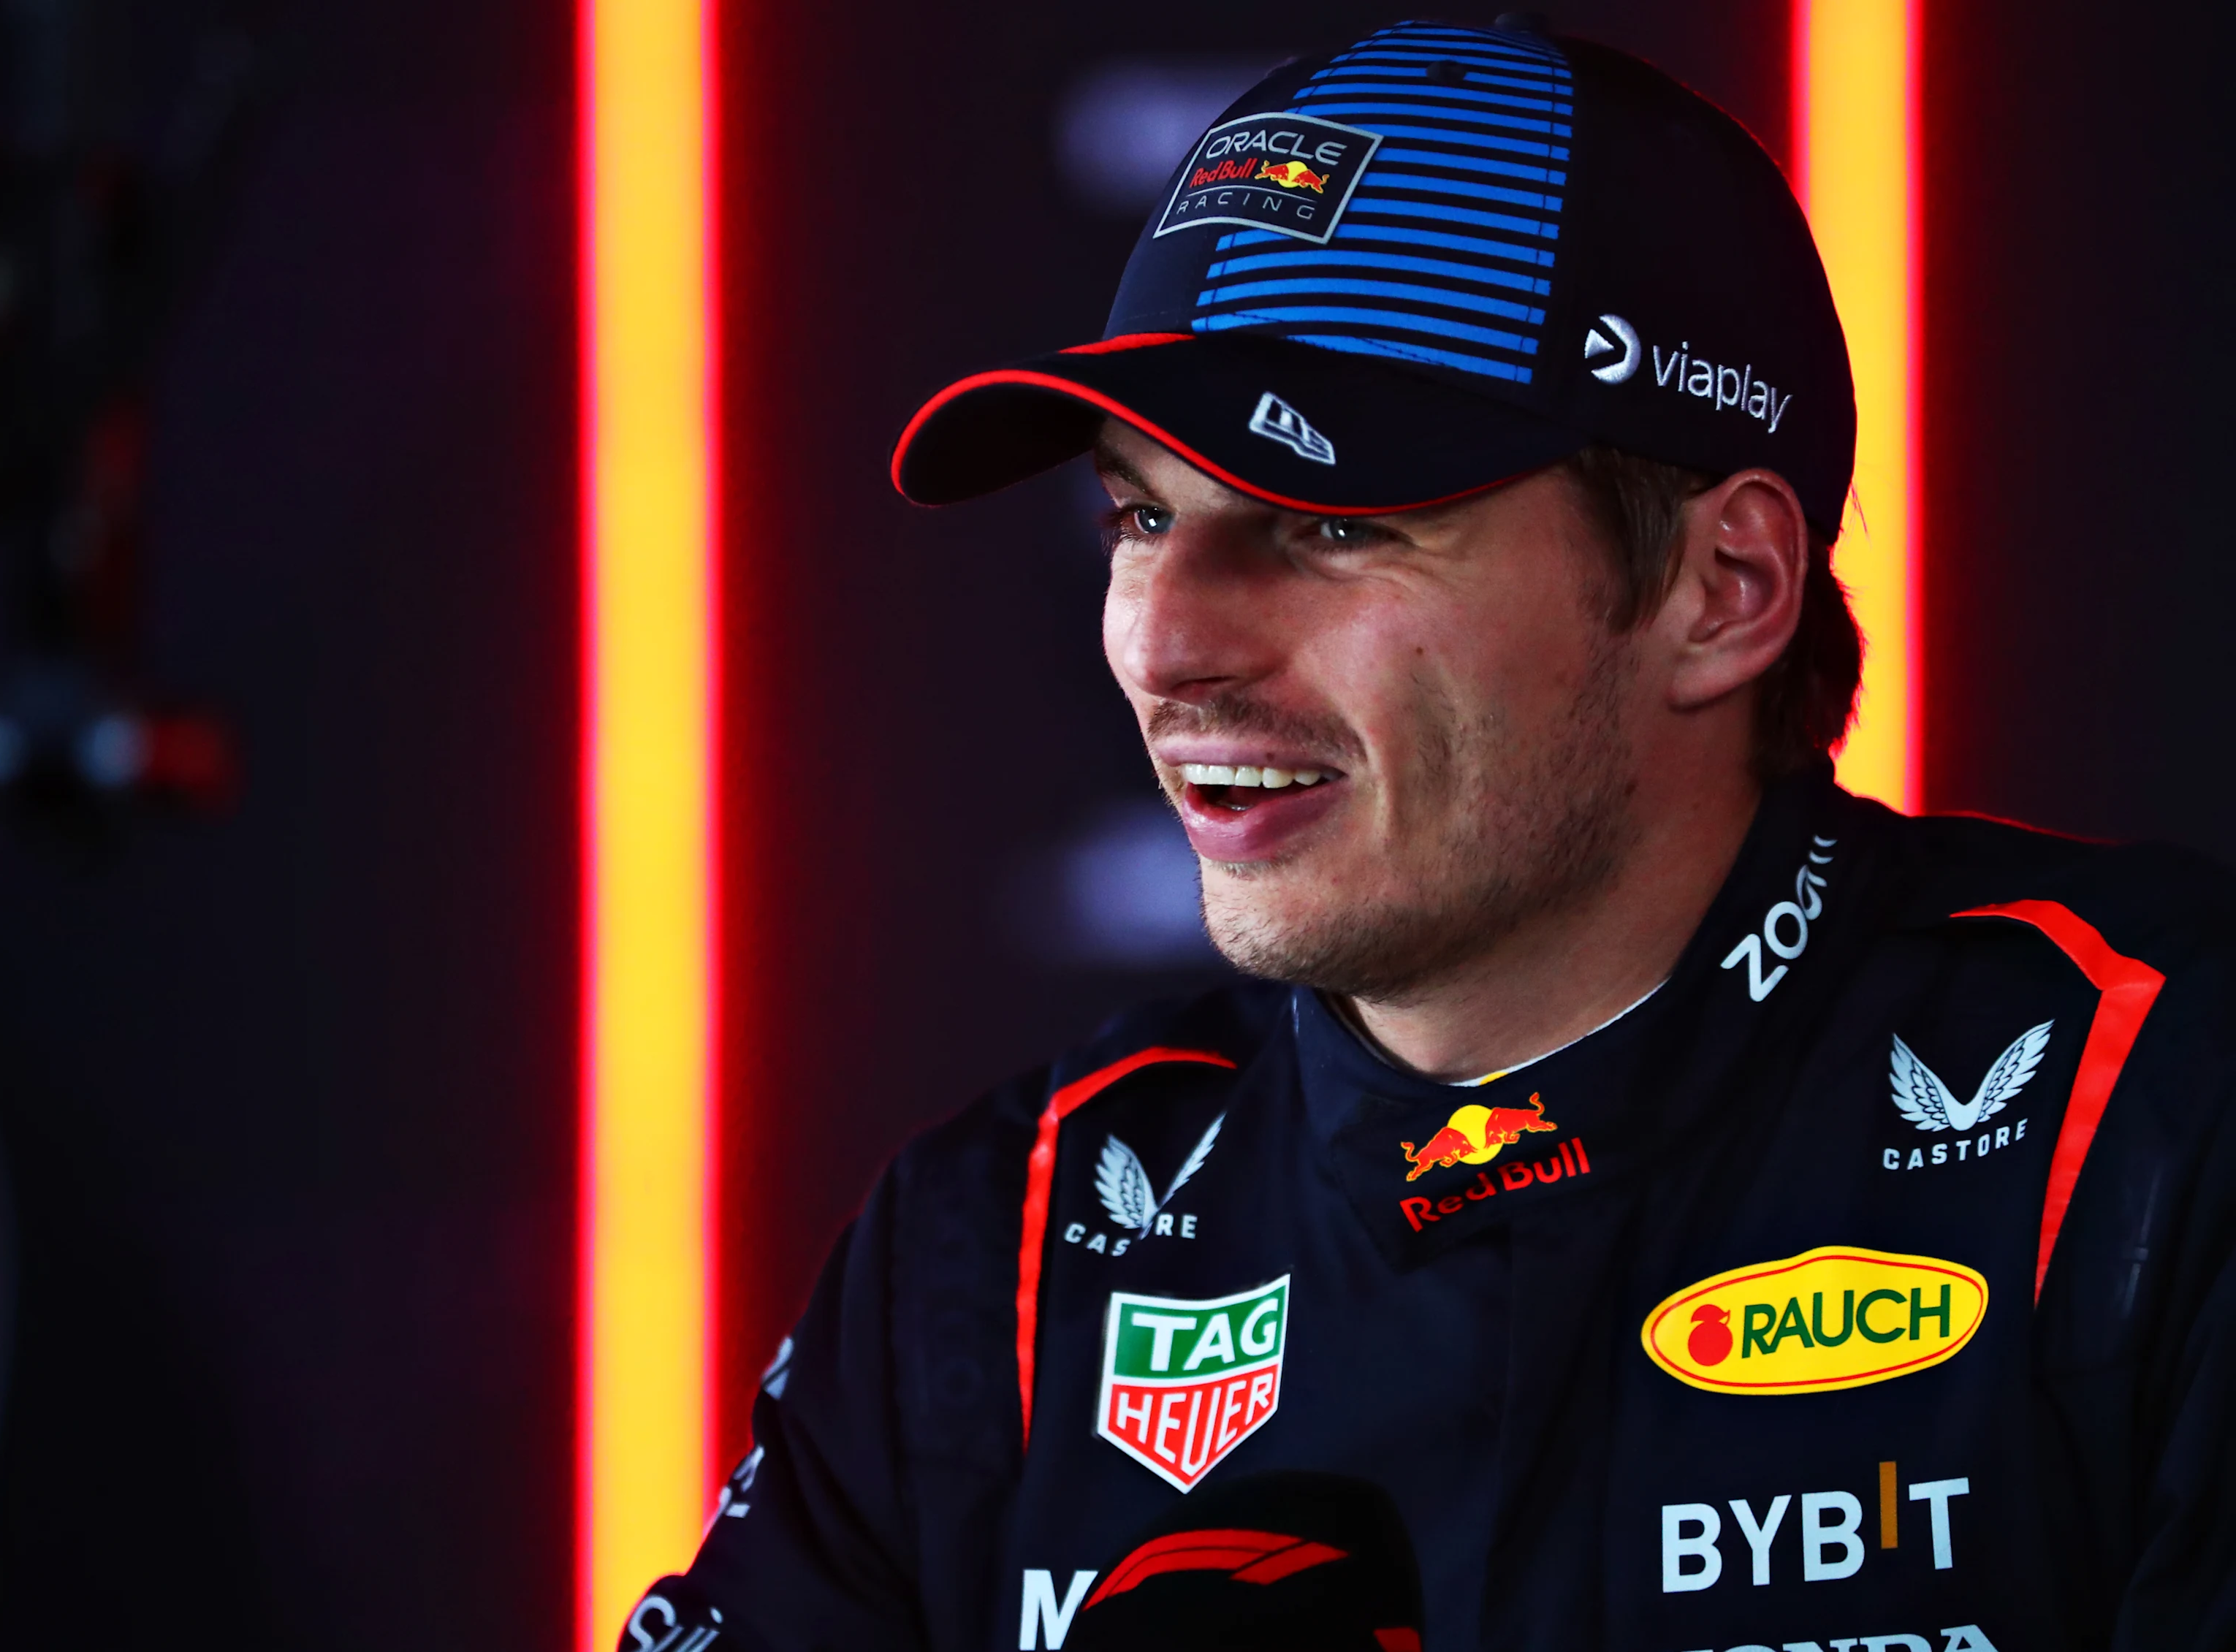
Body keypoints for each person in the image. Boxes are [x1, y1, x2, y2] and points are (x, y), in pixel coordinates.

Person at [621, 18, 2236, 1652]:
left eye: (1329, 522)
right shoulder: (1005, 1255)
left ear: (1721, 590)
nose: (1164, 644)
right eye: (1140, 516)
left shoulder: (2150, 1125)